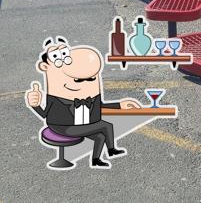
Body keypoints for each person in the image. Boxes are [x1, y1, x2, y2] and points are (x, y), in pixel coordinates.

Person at [26, 37, 141, 169]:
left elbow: (101, 106)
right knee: (105, 126)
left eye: (91, 78)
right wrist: (34, 104)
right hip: (62, 126)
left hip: (82, 124)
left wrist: (120, 105)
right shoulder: (55, 98)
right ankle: (111, 150)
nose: (85, 82)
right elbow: (45, 115)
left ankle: (96, 159)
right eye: (78, 80)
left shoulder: (91, 96)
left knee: (99, 136)